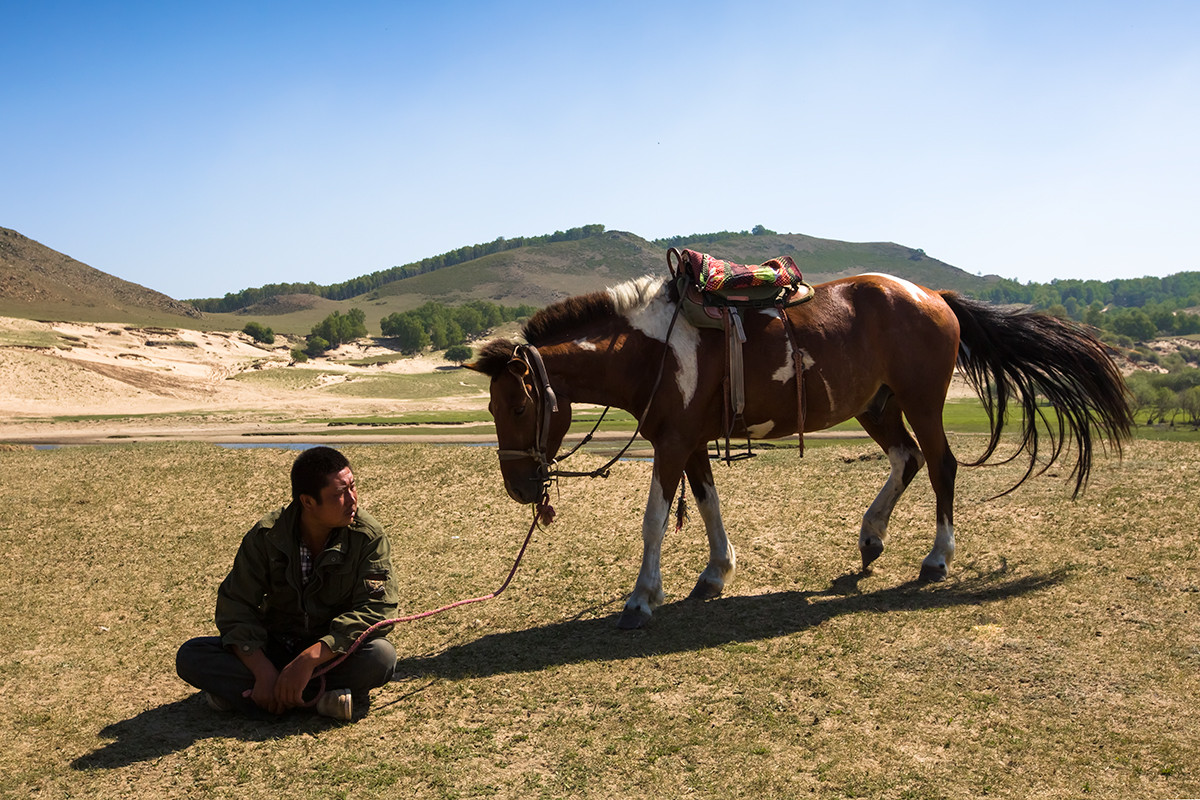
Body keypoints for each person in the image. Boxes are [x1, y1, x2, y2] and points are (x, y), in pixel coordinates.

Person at [176, 446, 399, 722]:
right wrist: (263, 670)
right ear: (307, 502)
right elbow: (235, 607)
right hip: (275, 649)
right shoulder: (267, 536)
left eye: (353, 487)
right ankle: (316, 700)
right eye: (339, 494)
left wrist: (310, 658)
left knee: (380, 657)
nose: (352, 499)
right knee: (192, 655)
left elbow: (377, 610)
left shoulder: (367, 537)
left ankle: (253, 697)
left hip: (329, 655)